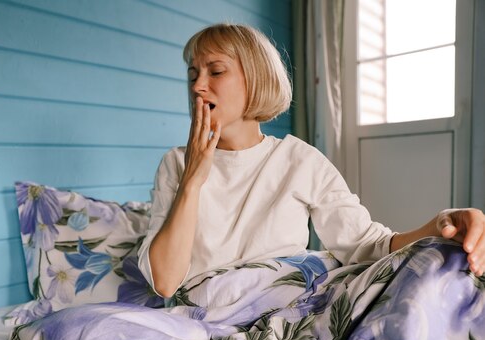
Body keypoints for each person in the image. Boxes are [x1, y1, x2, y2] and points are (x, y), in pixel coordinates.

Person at [137, 23, 484, 298]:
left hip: (281, 311)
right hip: (203, 317)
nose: (198, 86)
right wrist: (194, 179)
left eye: (215, 71)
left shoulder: (298, 160)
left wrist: (437, 225)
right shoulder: (176, 164)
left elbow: (366, 245)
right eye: (192, 74)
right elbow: (165, 283)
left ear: (255, 79)